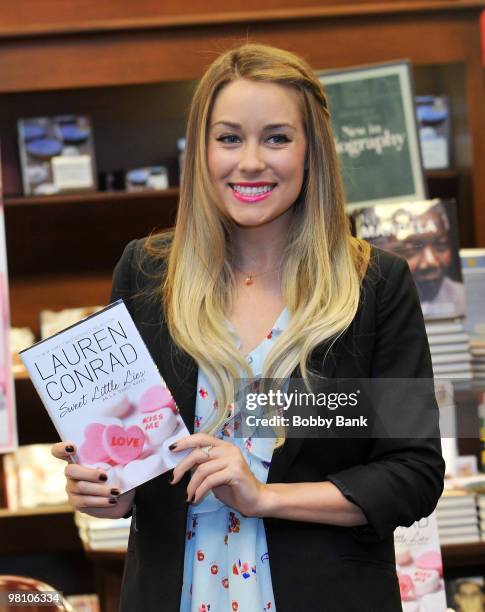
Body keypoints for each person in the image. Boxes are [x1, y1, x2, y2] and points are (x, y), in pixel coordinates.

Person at [52, 43, 445, 612]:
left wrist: (263, 496)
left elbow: (413, 473)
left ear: (312, 152)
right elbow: (130, 470)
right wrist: (105, 492)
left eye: (277, 138)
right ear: (202, 151)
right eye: (229, 138)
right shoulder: (146, 273)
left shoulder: (375, 286)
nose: (251, 162)